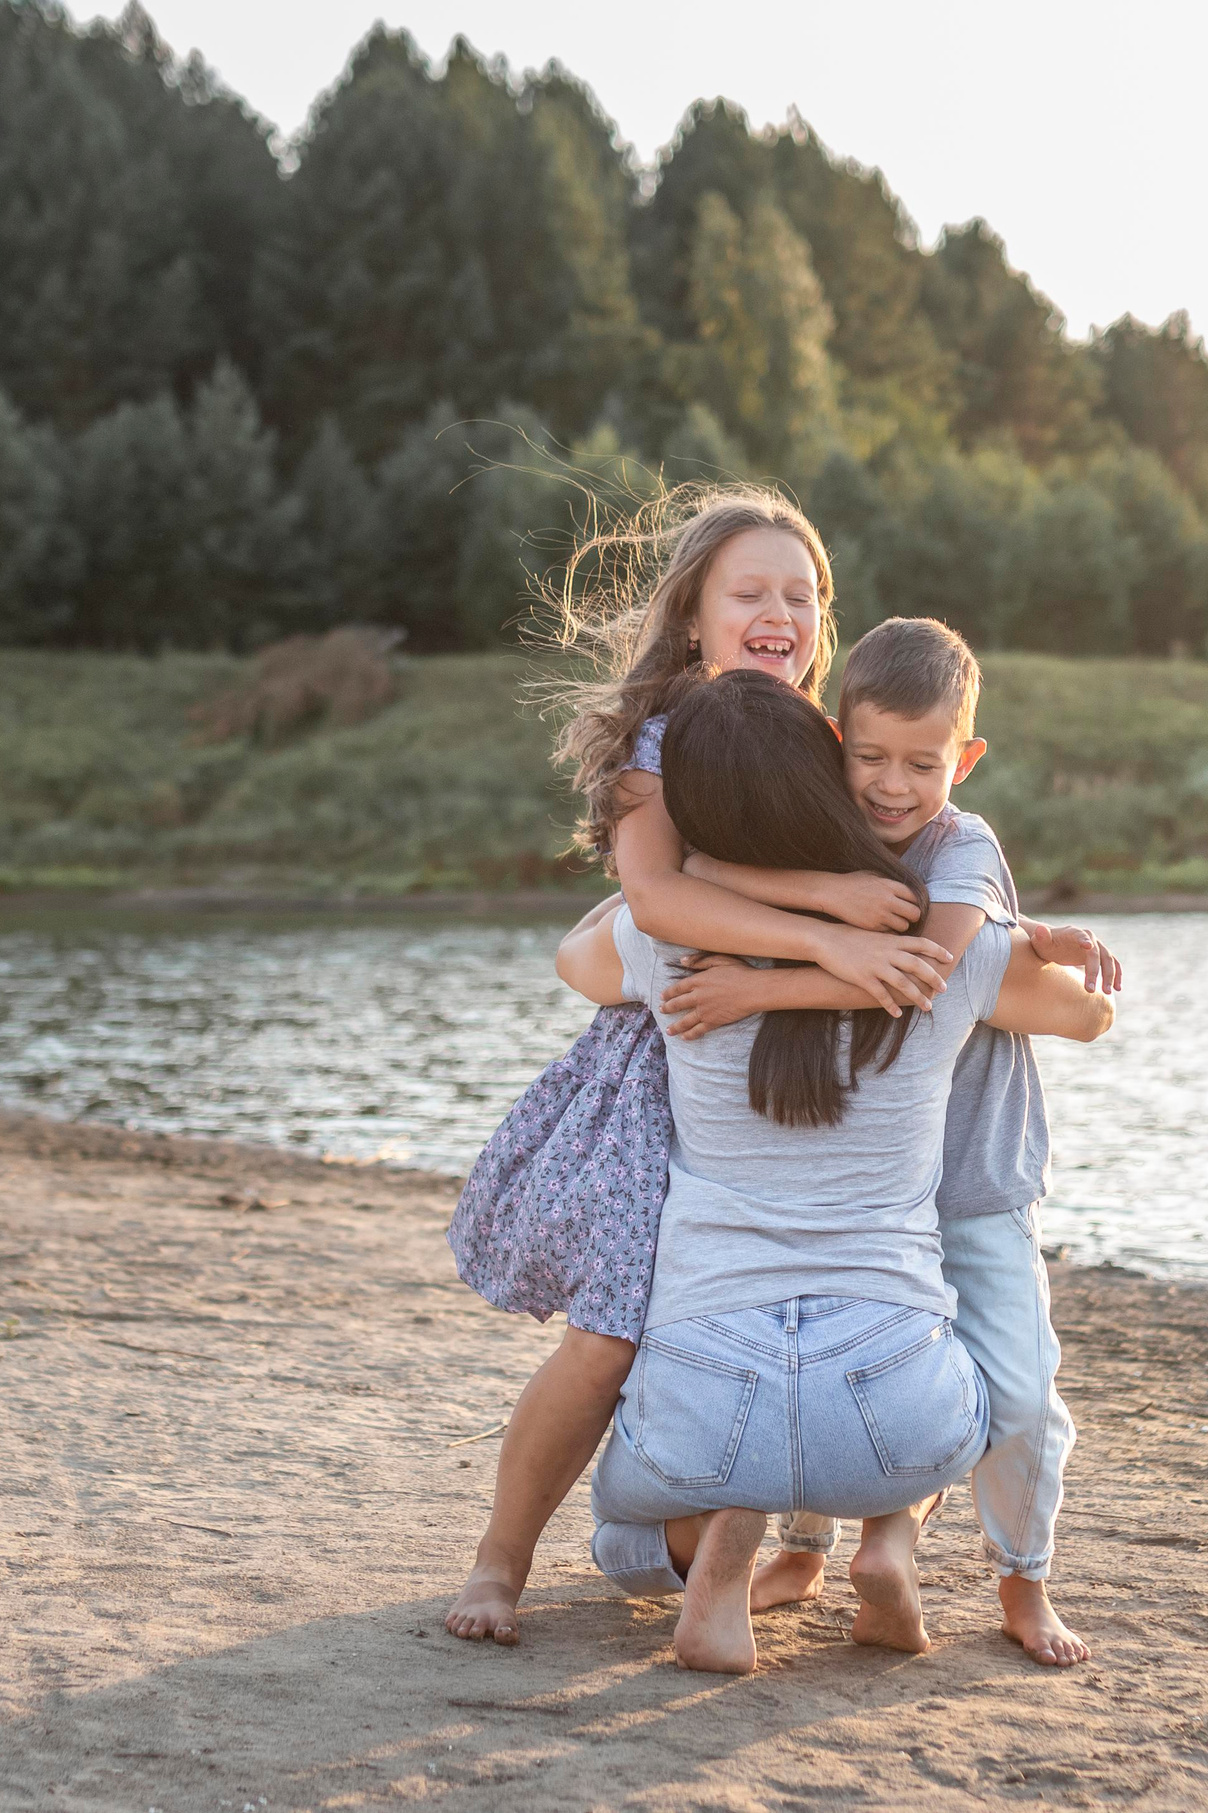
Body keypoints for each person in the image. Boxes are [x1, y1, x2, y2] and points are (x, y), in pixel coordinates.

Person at [446, 487, 953, 1645]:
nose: (780, 610)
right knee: (611, 1335)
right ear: (692, 617)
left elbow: (921, 835)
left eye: (802, 593)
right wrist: (826, 919)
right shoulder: (662, 735)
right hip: (665, 1060)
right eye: (751, 591)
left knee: (786, 1298)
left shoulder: (828, 736)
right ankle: (497, 1561)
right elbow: (659, 895)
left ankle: (766, 1535)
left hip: (769, 1072)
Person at [557, 668, 1113, 1674]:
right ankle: (889, 1540)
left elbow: (574, 954)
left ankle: (720, 1572)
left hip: (705, 1410)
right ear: (829, 761)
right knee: (983, 1379)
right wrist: (1016, 937)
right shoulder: (937, 944)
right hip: (892, 1418)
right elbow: (1086, 1012)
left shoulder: (663, 945)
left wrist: (699, 882)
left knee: (625, 1542)